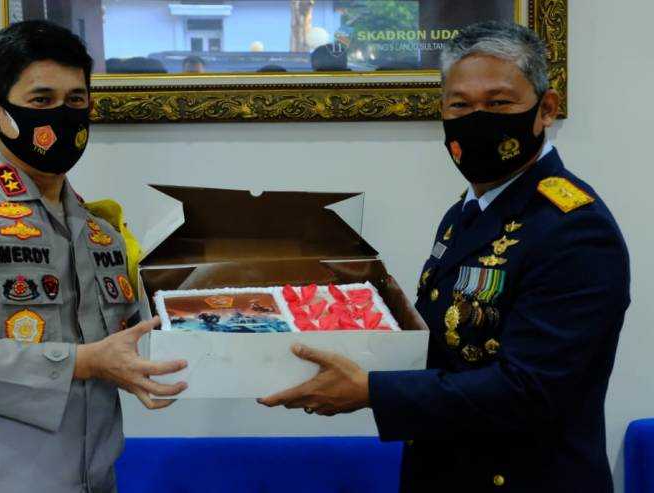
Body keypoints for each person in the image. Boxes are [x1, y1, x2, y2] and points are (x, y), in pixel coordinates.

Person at [260, 21, 630, 493]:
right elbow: (448, 347)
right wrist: (348, 321)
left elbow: (530, 388)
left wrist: (371, 390)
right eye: (460, 105)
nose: (477, 119)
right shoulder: (468, 211)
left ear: (546, 109)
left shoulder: (575, 229)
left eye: (499, 103)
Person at [0, 20, 187, 493]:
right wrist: (85, 362)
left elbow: (135, 341)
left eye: (75, 100)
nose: (62, 116)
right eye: (41, 100)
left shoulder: (102, 232)